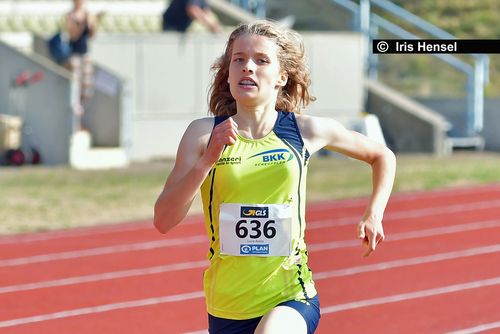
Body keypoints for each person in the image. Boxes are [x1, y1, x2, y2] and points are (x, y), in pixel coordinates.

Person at [154, 20, 396, 333]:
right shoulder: (203, 135)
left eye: (261, 60)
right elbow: (163, 220)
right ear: (228, 73)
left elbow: (382, 156)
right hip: (227, 305)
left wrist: (373, 214)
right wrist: (207, 162)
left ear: (282, 76)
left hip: (290, 295)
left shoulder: (304, 131)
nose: (248, 67)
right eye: (238, 60)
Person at [65, 0, 103, 128]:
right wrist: (81, 23)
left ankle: (80, 122)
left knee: (85, 90)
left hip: (85, 55)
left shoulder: (88, 15)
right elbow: (73, 35)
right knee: (74, 89)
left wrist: (93, 22)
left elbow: (92, 35)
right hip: (74, 54)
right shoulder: (70, 15)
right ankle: (74, 123)